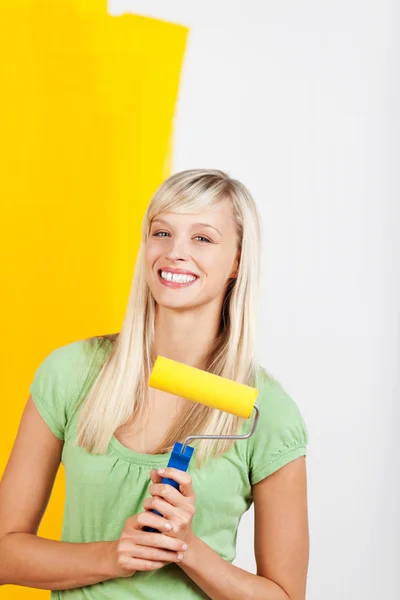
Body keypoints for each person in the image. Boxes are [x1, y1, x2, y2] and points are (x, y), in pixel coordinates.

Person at [0, 169, 309, 599]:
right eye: (161, 232)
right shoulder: (71, 373)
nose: (175, 253)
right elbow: (3, 552)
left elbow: (287, 596)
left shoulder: (266, 410)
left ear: (237, 260)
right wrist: (113, 556)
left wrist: (185, 546)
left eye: (202, 238)